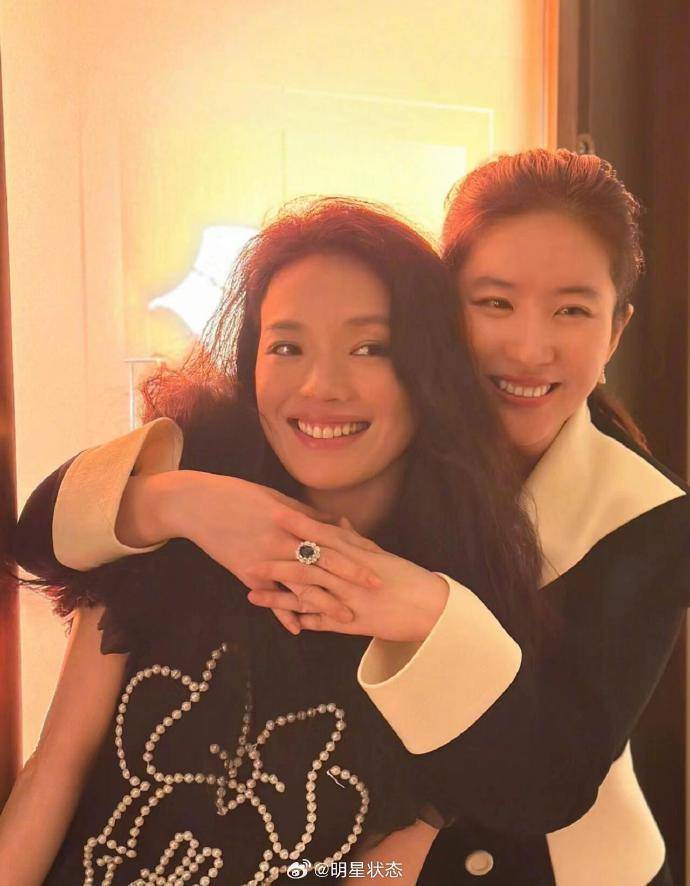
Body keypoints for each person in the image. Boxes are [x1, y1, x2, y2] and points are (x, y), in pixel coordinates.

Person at [11, 150, 690, 884]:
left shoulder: (639, 517)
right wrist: (176, 500)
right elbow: (46, 545)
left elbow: (542, 779)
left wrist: (428, 609)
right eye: (495, 302)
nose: (529, 347)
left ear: (615, 329)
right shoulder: (254, 468)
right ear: (439, 312)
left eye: (573, 309)